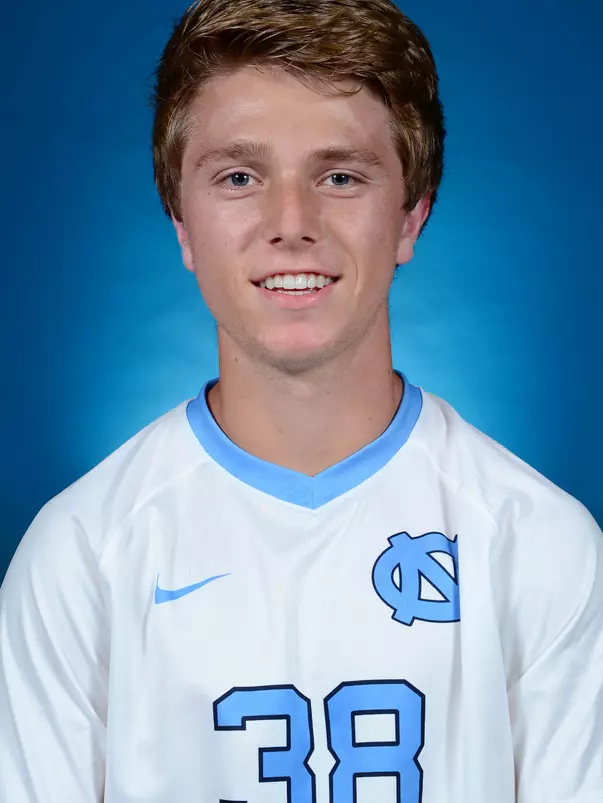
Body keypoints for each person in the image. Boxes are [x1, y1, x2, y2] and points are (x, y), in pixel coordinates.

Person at [1, 0, 602, 800]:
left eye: (340, 176)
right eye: (239, 177)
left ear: (410, 216)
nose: (291, 223)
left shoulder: (538, 543)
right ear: (182, 225)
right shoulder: (80, 554)